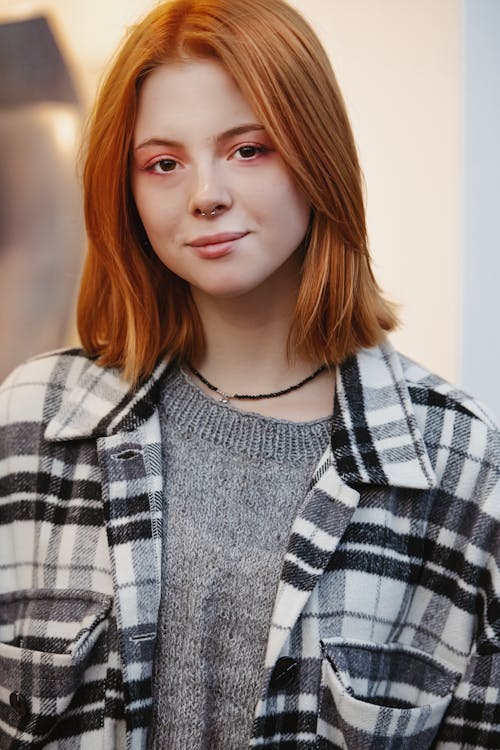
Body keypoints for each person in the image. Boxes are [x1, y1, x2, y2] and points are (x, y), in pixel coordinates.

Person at [0, 0, 498, 748]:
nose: (206, 194)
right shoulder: (34, 421)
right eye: (163, 163)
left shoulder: (457, 467)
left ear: (316, 153)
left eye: (248, 148)